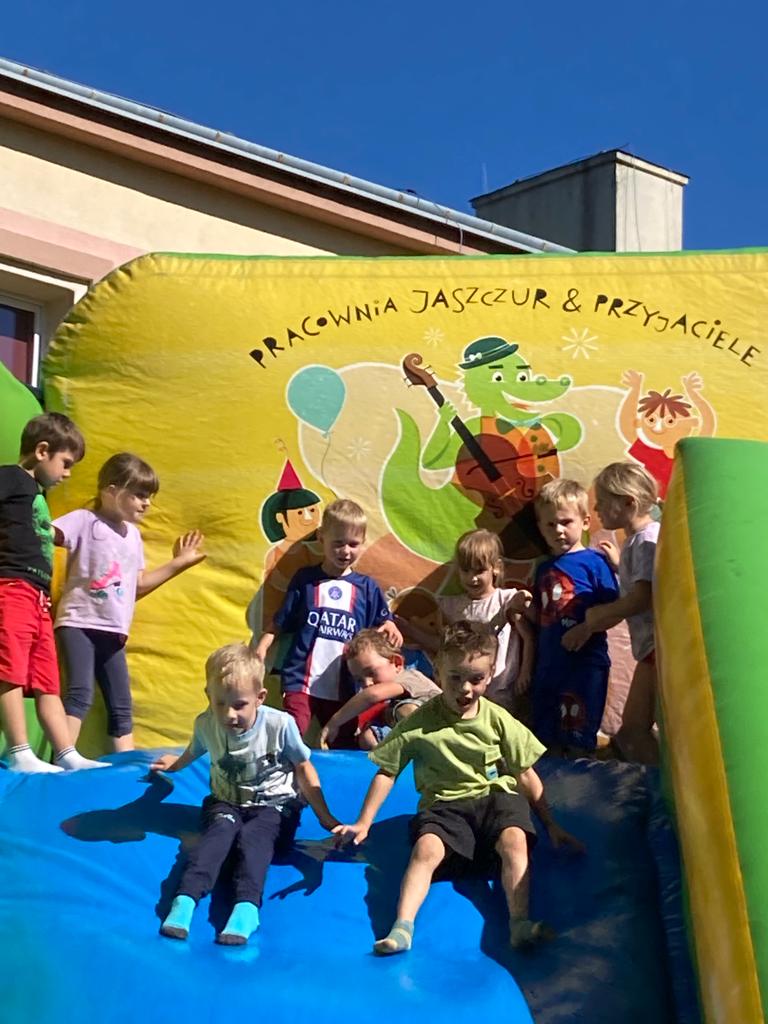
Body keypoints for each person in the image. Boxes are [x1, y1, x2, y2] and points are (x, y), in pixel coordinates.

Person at [334, 622, 582, 955]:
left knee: (515, 838)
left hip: (493, 800)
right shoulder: (420, 722)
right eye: (454, 678)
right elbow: (387, 772)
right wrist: (364, 821)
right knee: (426, 850)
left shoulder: (497, 719)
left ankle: (519, 922)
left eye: (476, 679)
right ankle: (402, 927)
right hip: (444, 806)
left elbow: (524, 774)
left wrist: (550, 824)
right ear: (438, 672)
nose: (465, 688)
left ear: (490, 675)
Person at [151, 643, 339, 944]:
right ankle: (185, 900)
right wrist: (175, 765)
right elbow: (194, 750)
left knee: (253, 839)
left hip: (275, 806)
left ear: (260, 698)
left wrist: (324, 817)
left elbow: (304, 767)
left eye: (239, 705)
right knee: (217, 835)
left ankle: (247, 907)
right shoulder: (206, 724)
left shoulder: (279, 725)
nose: (229, 714)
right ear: (208, 696)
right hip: (226, 802)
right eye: (220, 704)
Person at [53, 452, 205, 752]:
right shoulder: (85, 520)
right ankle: (64, 757)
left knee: (121, 705)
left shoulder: (132, 536)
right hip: (78, 622)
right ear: (111, 491)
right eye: (139, 495)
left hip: (114, 629)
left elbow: (138, 585)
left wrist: (179, 563)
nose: (146, 503)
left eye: (149, 497)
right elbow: (47, 532)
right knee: (79, 694)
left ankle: (127, 764)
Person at [0, 413, 104, 772]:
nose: (68, 473)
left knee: (47, 679)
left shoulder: (37, 494)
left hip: (38, 597)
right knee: (10, 669)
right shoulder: (10, 478)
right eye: (66, 463)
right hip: (11, 586)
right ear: (42, 451)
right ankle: (18, 751)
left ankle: (65, 752)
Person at [253, 499, 402, 740]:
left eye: (353, 544)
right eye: (338, 543)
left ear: (363, 543)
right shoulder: (306, 580)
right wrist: (263, 645)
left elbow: (383, 620)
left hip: (345, 686)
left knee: (344, 741)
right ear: (321, 538)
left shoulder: (366, 587)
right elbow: (282, 619)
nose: (345, 551)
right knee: (291, 734)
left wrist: (390, 624)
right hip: (300, 680)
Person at [562, 463, 660, 765]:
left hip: (656, 650)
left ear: (628, 502)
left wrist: (596, 616)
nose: (597, 509)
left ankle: (661, 786)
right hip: (653, 649)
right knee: (638, 729)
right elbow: (645, 582)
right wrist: (620, 565)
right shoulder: (639, 540)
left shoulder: (645, 541)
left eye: (603, 502)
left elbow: (642, 598)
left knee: (633, 731)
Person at [530, 480, 620, 756]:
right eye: (550, 524)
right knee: (545, 734)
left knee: (579, 730)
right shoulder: (543, 568)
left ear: (585, 522)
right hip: (549, 664)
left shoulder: (595, 562)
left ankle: (585, 774)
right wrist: (522, 607)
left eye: (565, 522)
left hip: (585, 663)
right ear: (540, 527)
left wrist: (585, 629)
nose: (558, 530)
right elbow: (542, 617)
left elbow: (613, 608)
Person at [398, 529, 533, 711]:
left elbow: (527, 630)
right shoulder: (451, 606)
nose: (472, 578)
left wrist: (525, 672)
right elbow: (442, 644)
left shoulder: (504, 599)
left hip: (500, 690)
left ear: (496, 567)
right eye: (466, 570)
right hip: (463, 690)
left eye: (479, 571)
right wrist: (410, 630)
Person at [319, 629, 440, 750]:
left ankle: (435, 747)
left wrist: (334, 722)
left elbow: (372, 695)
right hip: (411, 731)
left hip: (440, 720)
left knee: (405, 710)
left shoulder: (409, 677)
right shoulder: (393, 702)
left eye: (371, 672)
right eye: (360, 680)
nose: (367, 683)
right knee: (368, 736)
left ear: (397, 663)